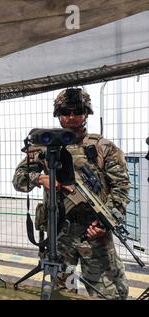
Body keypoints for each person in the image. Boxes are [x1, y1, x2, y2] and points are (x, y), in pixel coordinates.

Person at [12, 88, 130, 300]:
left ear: (86, 113)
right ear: (58, 114)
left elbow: (121, 188)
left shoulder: (103, 148)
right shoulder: (44, 146)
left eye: (77, 111)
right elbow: (19, 179)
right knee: (62, 292)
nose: (72, 117)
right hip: (60, 233)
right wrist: (40, 179)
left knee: (110, 293)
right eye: (66, 112)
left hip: (94, 234)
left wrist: (105, 223)